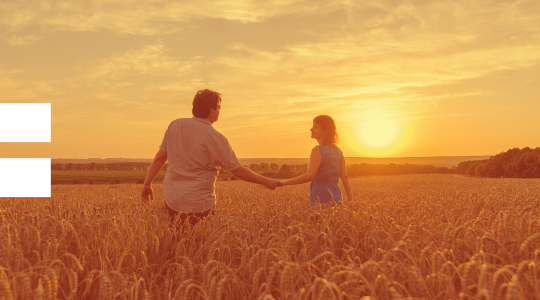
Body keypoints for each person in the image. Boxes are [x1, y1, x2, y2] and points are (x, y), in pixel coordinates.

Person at [141, 89, 281, 227]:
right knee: (201, 246)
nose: (220, 111)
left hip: (173, 201)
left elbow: (160, 157)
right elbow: (237, 171)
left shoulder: (175, 125)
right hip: (200, 207)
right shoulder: (218, 139)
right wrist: (266, 181)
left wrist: (147, 184)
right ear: (212, 111)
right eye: (219, 108)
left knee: (173, 242)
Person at [280, 115, 352, 206]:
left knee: (320, 219)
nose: (311, 129)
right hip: (337, 198)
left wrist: (284, 182)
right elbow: (344, 176)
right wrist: (350, 199)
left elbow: (310, 176)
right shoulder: (338, 151)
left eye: (315, 127)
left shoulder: (317, 150)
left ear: (325, 132)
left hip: (321, 198)